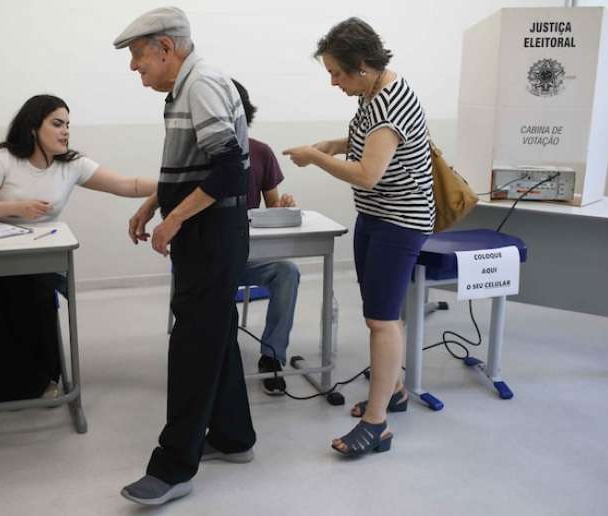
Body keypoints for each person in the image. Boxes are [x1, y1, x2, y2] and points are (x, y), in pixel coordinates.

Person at [114, 6, 255, 506]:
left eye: (138, 57)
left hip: (212, 230)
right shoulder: (184, 87)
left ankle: (173, 467)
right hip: (205, 228)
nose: (135, 67)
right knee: (211, 331)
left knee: (192, 341)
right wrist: (155, 202)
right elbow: (190, 164)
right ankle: (235, 437)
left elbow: (228, 172)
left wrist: (174, 218)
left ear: (166, 48)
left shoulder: (203, 84)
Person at [284, 17, 435, 457]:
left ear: (363, 65)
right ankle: (396, 391)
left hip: (400, 220)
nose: (333, 82)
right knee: (382, 311)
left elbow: (369, 173)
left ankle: (377, 425)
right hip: (376, 215)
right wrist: (332, 144)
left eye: (336, 73)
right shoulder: (373, 94)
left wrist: (314, 157)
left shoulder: (389, 103)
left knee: (380, 319)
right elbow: (368, 141)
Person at [0, 94, 157, 403]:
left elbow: (127, 185)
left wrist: (174, 184)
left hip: (36, 258)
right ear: (34, 127)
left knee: (35, 290)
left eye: (68, 125)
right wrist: (15, 207)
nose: (65, 131)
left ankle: (43, 380)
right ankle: (11, 386)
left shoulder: (71, 164)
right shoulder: (3, 159)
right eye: (57, 124)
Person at [231, 79, 300, 395]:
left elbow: (273, 208)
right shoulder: (196, 154)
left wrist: (282, 206)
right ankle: (220, 356)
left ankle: (272, 357)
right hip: (208, 257)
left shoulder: (260, 152)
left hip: (247, 254)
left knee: (287, 271)